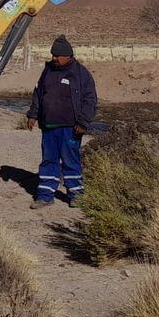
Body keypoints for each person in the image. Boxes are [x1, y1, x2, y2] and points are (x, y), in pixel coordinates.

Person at [25, 35, 97, 208]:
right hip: (49, 126)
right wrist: (33, 115)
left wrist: (83, 122)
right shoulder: (48, 71)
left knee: (70, 160)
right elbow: (38, 94)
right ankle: (45, 196)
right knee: (49, 160)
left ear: (68, 55)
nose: (54, 59)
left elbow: (90, 100)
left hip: (71, 128)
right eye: (52, 55)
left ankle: (76, 195)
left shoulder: (81, 74)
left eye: (57, 56)